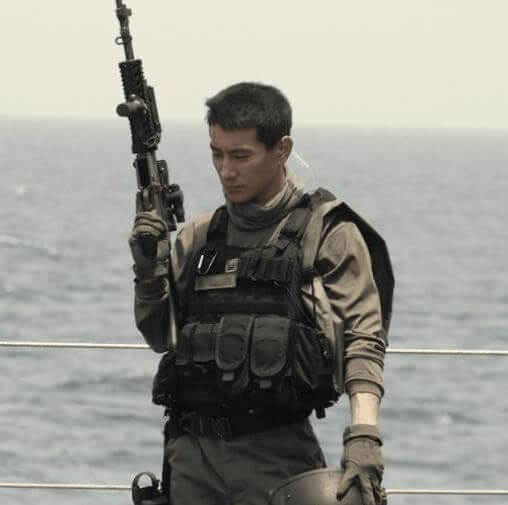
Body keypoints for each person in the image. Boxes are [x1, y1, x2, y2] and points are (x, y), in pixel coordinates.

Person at [129, 82, 392, 505]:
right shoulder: (200, 237)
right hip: (191, 462)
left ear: (281, 150)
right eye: (217, 153)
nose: (226, 171)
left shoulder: (326, 234)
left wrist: (364, 433)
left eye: (241, 156)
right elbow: (162, 337)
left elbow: (363, 340)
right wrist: (148, 270)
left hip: (277, 461)